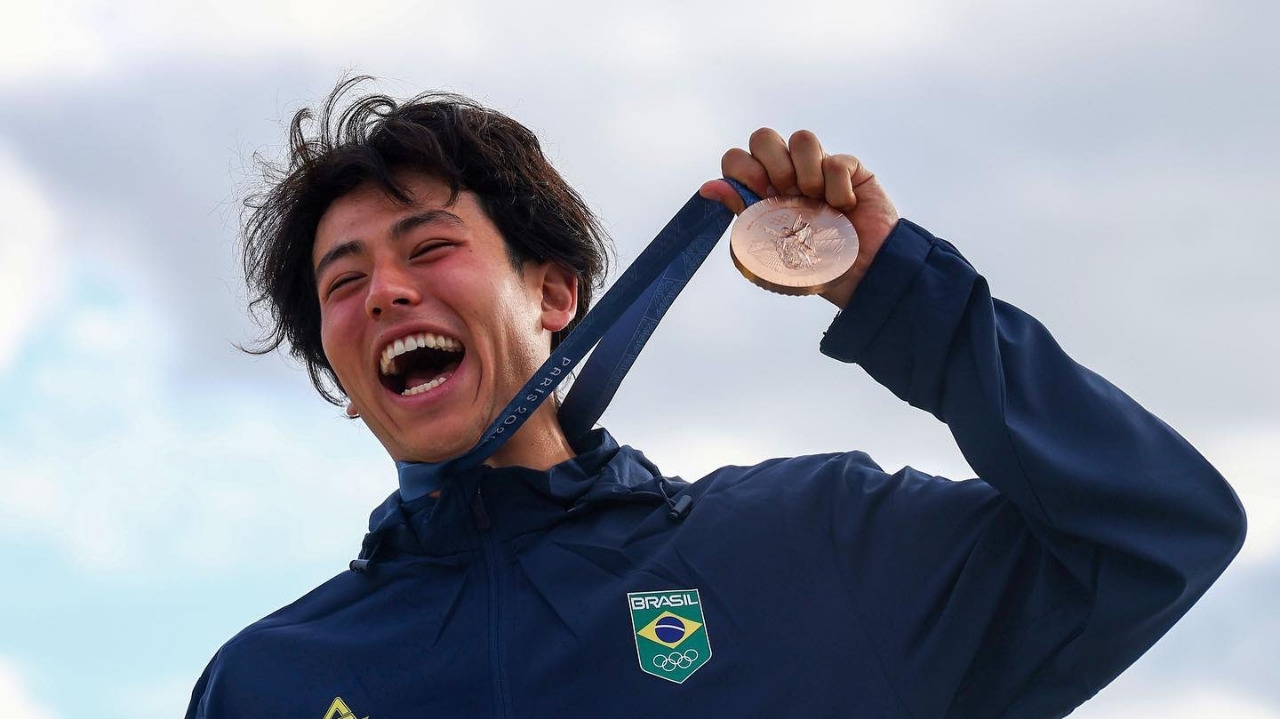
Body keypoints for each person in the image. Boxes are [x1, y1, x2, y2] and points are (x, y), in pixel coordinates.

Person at [185, 79, 1246, 719]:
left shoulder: (810, 547)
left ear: (553, 293)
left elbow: (1154, 528)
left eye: (429, 247)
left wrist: (902, 296)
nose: (386, 292)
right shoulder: (269, 681)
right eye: (342, 282)